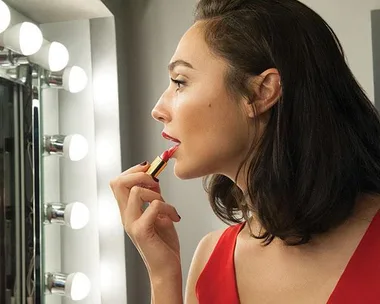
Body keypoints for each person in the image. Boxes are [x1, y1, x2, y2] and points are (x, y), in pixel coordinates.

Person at [110, 0, 380, 303]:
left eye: (180, 82)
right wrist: (163, 276)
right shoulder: (209, 261)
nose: (157, 109)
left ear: (261, 92)